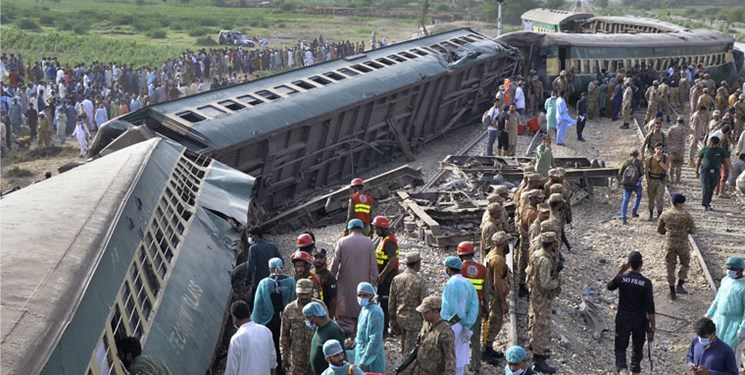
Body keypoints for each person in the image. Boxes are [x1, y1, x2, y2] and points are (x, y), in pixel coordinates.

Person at [607, 251, 656, 375]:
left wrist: (621, 271)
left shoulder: (621, 278)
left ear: (629, 264)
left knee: (620, 347)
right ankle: (635, 371)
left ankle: (622, 369)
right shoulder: (646, 283)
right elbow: (650, 308)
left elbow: (610, 286)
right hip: (640, 320)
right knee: (637, 348)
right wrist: (652, 328)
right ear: (641, 264)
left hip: (623, 319)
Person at [330, 219, 379, 336]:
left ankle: (346, 340)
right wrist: (375, 283)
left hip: (344, 285)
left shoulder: (342, 242)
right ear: (362, 228)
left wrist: (331, 280)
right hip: (363, 287)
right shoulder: (369, 243)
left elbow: (335, 264)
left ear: (349, 228)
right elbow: (373, 266)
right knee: (361, 317)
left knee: (344, 316)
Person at [252, 258, 296, 375]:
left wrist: (255, 323)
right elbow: (293, 301)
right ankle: (282, 368)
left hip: (269, 321)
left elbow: (258, 305)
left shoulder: (264, 283)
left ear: (270, 268)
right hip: (285, 318)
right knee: (283, 344)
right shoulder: (291, 282)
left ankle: (270, 369)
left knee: (270, 346)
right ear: (282, 267)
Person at [525, 232, 561, 374]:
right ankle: (538, 359)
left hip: (536, 294)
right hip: (542, 297)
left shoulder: (536, 254)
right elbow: (546, 283)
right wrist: (558, 281)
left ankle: (535, 346)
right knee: (542, 325)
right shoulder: (545, 260)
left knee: (535, 321)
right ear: (551, 244)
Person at [441, 255, 479, 375]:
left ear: (448, 269)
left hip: (452, 323)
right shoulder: (468, 283)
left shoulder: (451, 284)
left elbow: (452, 305)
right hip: (465, 326)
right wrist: (468, 324)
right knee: (461, 356)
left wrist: (462, 321)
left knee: (449, 356)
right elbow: (474, 306)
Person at [705, 256, 745, 369]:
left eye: (733, 269)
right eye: (728, 268)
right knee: (716, 350)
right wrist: (709, 313)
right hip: (719, 320)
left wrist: (743, 327)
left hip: (735, 325)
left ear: (741, 270)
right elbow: (718, 300)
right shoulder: (725, 280)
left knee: (732, 354)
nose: (730, 271)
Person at [280, 279, 325, 375]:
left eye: (306, 294)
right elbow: (284, 335)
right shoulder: (289, 309)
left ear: (312, 292)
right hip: (297, 361)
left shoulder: (320, 306)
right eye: (301, 294)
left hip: (316, 358)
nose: (303, 297)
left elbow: (327, 328)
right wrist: (284, 358)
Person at [657, 193, 697, 300]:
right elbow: (693, 230)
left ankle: (672, 291)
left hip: (669, 243)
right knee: (685, 263)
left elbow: (660, 230)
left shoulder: (665, 214)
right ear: (680, 203)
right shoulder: (687, 215)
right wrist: (684, 231)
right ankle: (680, 285)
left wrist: (669, 231)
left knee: (670, 266)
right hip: (683, 244)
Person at [388, 252, 428, 359]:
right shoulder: (420, 281)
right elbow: (425, 304)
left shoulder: (397, 279)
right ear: (417, 264)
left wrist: (392, 320)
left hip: (400, 318)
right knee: (411, 352)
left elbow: (392, 301)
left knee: (404, 346)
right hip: (414, 321)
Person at [457, 241, 489, 372]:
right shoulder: (482, 269)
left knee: (459, 336)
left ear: (460, 255)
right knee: (475, 337)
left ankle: (459, 365)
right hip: (476, 307)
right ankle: (476, 366)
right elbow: (486, 291)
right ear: (473, 253)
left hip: (462, 308)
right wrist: (486, 307)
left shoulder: (458, 269)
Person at [225, 300, 277, 375]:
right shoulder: (266, 331)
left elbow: (231, 370)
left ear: (234, 317)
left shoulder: (237, 339)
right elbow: (272, 362)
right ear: (249, 313)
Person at [483, 232, 511, 363]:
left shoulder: (491, 255)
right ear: (503, 243)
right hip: (495, 296)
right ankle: (486, 349)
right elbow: (496, 282)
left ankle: (488, 347)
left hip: (490, 294)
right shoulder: (498, 260)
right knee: (495, 321)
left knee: (492, 320)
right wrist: (503, 301)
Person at [411, 296, 456, 375]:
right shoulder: (426, 324)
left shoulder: (445, 331)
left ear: (436, 312)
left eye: (426, 312)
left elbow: (450, 360)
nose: (423, 315)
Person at [347, 282, 386, 373]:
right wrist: (354, 342)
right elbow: (361, 331)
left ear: (372, 296)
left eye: (365, 295)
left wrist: (364, 361)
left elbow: (374, 340)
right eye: (359, 295)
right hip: (361, 352)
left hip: (372, 357)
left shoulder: (374, 312)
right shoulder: (365, 309)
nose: (361, 298)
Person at [242, 226, 283, 313]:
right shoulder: (272, 246)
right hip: (273, 281)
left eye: (250, 236)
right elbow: (281, 261)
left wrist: (247, 282)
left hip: (259, 281)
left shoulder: (253, 248)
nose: (250, 238)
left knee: (255, 306)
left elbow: (251, 267)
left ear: (255, 236)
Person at [371, 215, 399, 337]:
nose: (375, 231)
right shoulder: (385, 239)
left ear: (382, 229)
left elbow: (392, 260)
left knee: (385, 303)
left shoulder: (388, 242)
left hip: (387, 278)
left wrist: (382, 275)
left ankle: (384, 330)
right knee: (383, 302)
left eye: (376, 229)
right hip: (384, 276)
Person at [305, 301, 346, 375]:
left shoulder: (333, 331)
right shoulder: (318, 328)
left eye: (307, 317)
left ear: (314, 317)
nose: (306, 320)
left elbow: (342, 357)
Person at [696, 136, 731, 210]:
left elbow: (726, 159)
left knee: (711, 187)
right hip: (705, 171)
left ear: (717, 144)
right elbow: (699, 160)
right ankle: (705, 204)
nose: (712, 145)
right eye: (711, 144)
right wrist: (696, 170)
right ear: (710, 142)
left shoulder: (721, 151)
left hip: (715, 172)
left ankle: (708, 203)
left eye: (714, 144)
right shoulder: (705, 149)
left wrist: (730, 168)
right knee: (706, 187)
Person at [644, 143, 669, 221]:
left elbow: (666, 168)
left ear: (663, 149)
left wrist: (659, 161)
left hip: (660, 181)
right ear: (654, 149)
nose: (659, 150)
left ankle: (659, 215)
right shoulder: (650, 159)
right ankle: (651, 214)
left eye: (660, 149)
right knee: (651, 198)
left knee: (659, 198)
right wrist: (647, 180)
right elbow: (646, 170)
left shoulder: (665, 158)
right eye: (657, 148)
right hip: (652, 180)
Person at [618, 149, 645, 224]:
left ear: (630, 154)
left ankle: (623, 217)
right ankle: (634, 211)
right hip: (636, 184)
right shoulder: (639, 162)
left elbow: (620, 172)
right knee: (638, 196)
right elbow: (642, 173)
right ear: (637, 155)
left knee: (625, 200)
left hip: (627, 184)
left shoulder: (626, 162)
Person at [312, 247, 338, 318]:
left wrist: (330, 317)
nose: (318, 260)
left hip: (323, 314)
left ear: (325, 259)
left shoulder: (329, 276)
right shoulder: (310, 273)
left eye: (321, 258)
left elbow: (333, 298)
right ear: (312, 258)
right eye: (316, 257)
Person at [667, 117, 693, 183]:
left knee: (671, 165)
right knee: (679, 165)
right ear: (683, 121)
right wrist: (686, 125)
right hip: (681, 150)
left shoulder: (672, 129)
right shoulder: (685, 129)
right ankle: (678, 179)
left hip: (672, 149)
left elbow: (667, 138)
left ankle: (671, 178)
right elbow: (692, 131)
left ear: (677, 121)